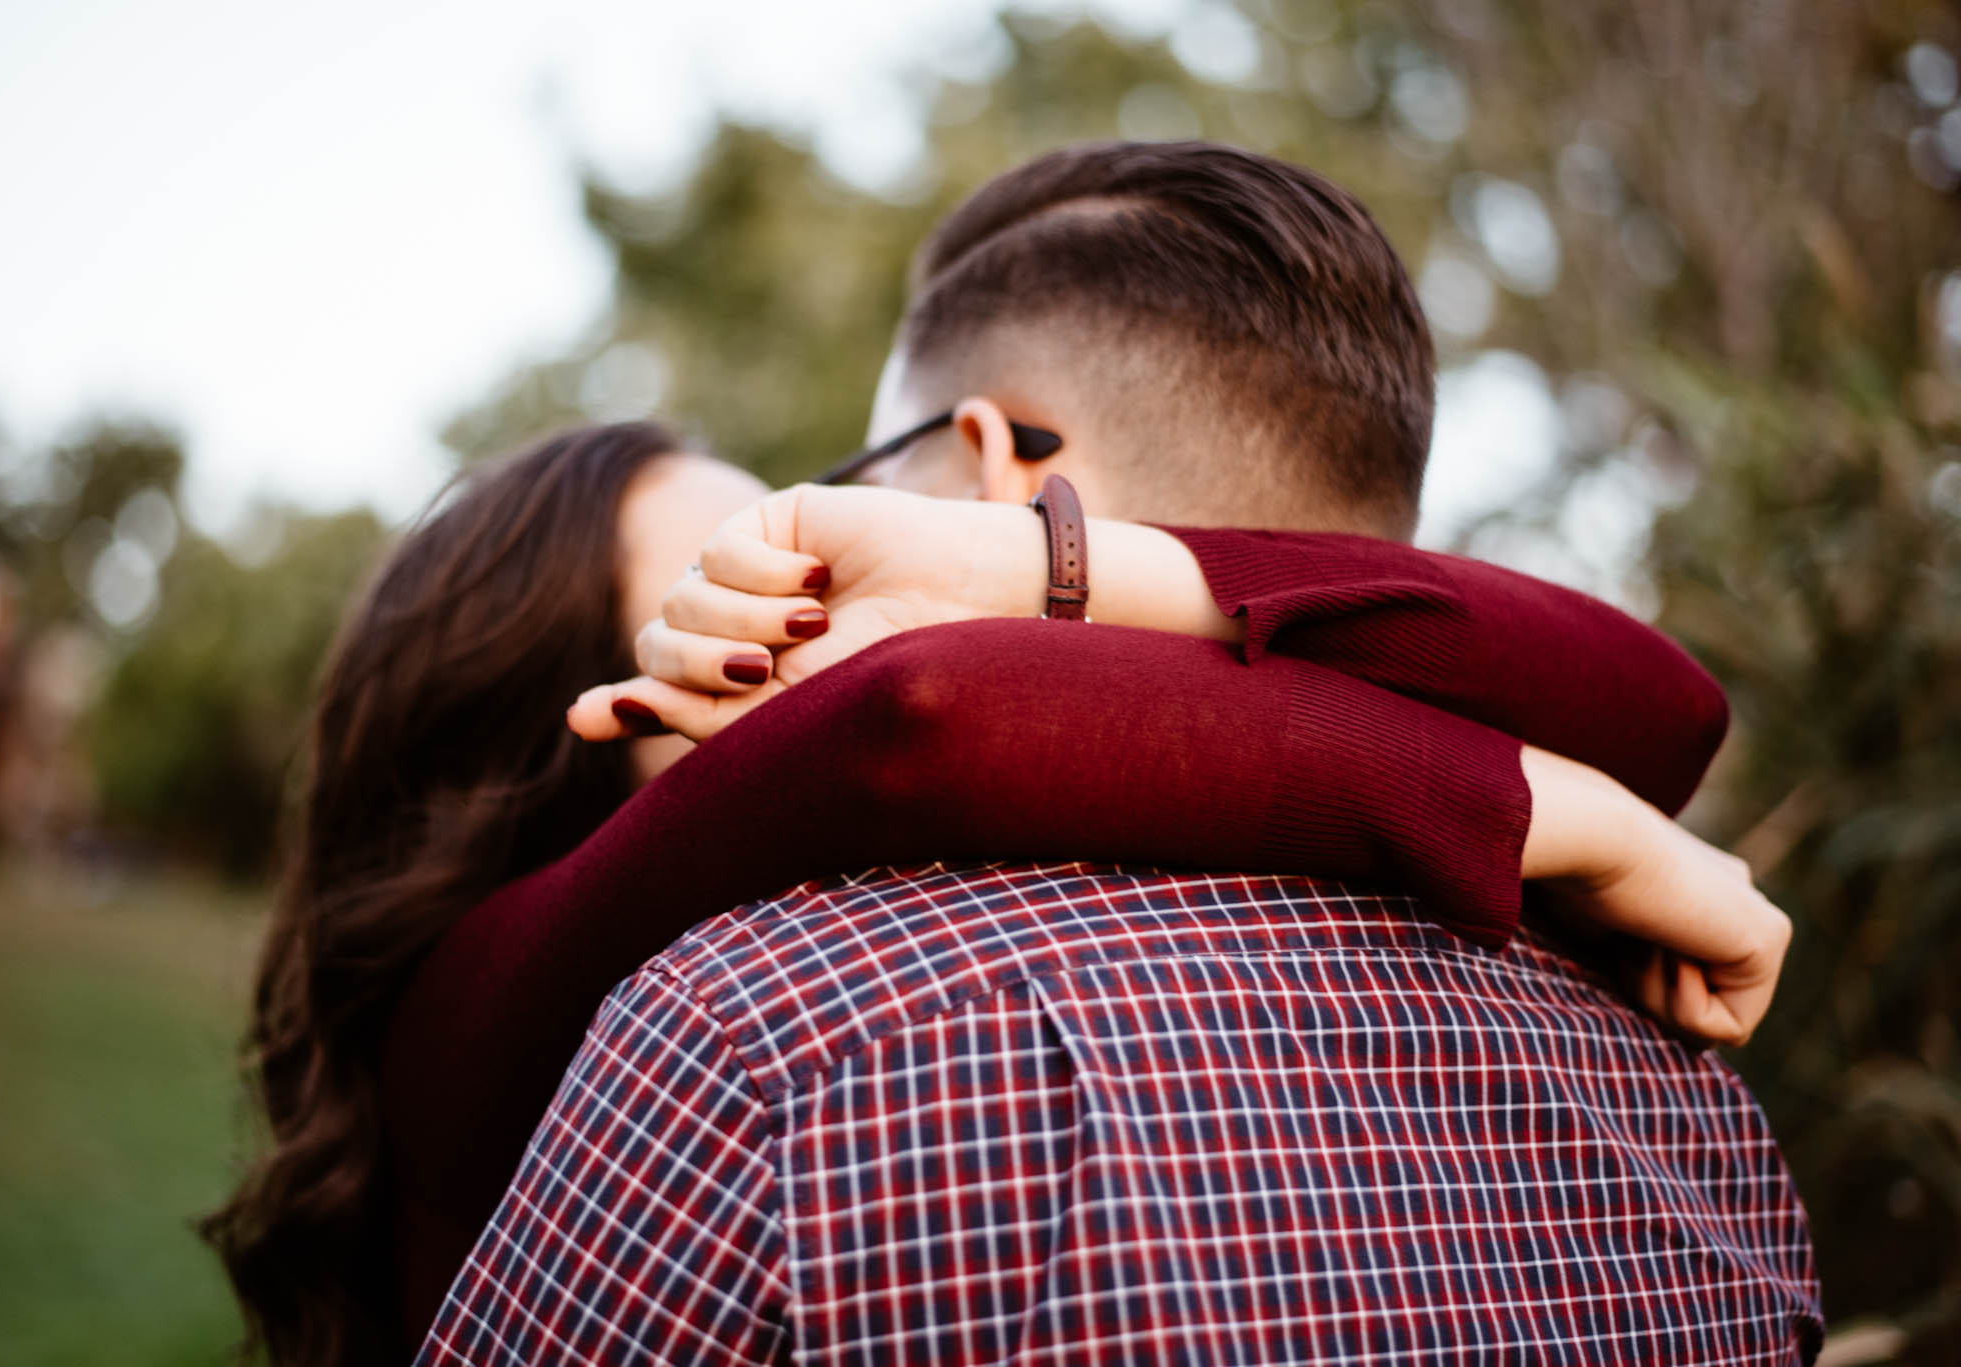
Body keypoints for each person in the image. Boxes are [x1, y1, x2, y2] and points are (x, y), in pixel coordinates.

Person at [414, 143, 1821, 1364]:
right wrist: (1551, 807)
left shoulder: (771, 1034)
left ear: (991, 467)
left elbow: (920, 716)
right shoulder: (1692, 1106)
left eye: (853, 479)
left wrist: (1038, 569)